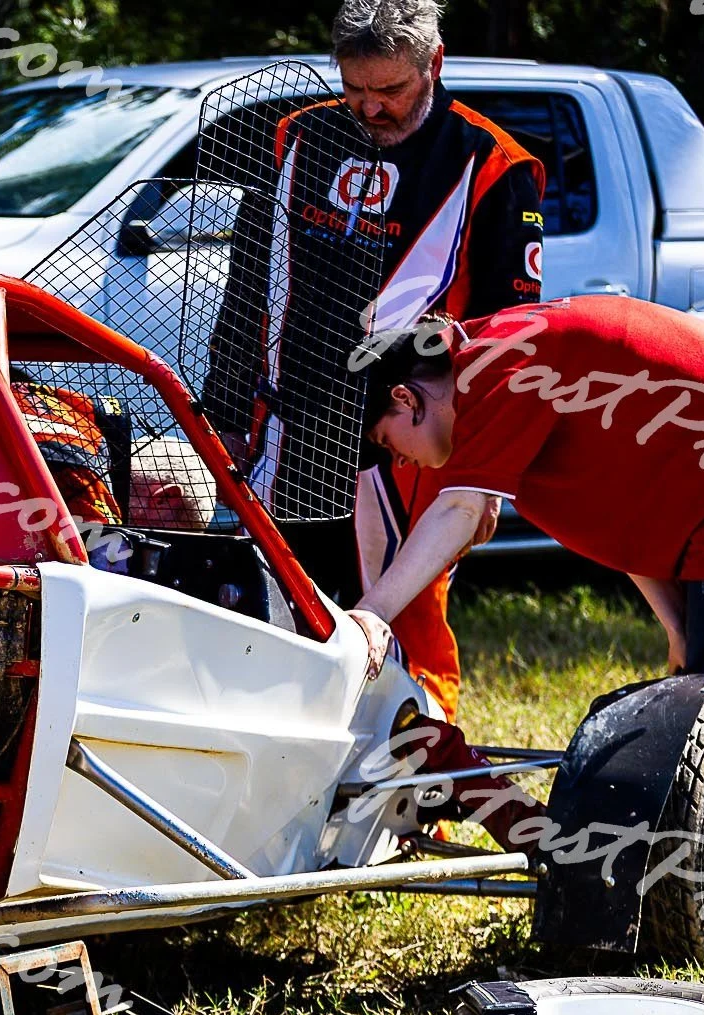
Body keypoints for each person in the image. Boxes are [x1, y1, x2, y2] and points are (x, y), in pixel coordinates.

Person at [202, 0, 545, 723]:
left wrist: (481, 478)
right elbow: (246, 288)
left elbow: (507, 344)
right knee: (277, 623)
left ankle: (419, 805)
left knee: (398, 634)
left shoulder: (494, 166)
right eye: (355, 89)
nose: (370, 108)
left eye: (390, 91)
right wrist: (225, 413)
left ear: (435, 65)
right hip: (286, 434)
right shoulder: (298, 136)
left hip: (402, 450)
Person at [350, 296, 704, 716]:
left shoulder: (493, 367)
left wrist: (373, 613)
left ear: (406, 398)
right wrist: (677, 627)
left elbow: (459, 508)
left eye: (387, 442)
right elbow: (614, 516)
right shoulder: (489, 376)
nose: (400, 461)